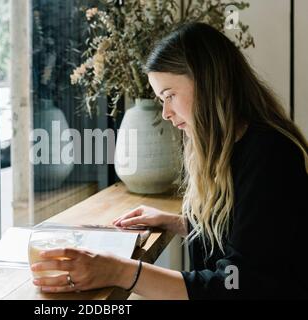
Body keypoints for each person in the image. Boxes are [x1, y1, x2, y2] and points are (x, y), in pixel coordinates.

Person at [30, 22, 308, 299]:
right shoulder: (233, 145)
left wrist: (119, 271)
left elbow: (237, 284)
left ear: (207, 82)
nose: (165, 112)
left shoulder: (272, 155)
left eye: (170, 95)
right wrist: (178, 222)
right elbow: (251, 234)